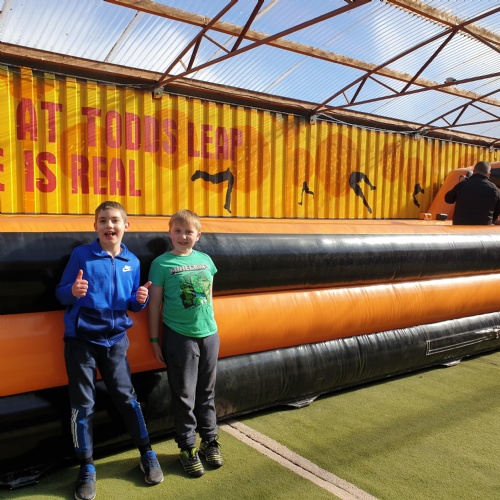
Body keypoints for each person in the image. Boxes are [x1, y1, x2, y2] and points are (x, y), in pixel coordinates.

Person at [56, 201, 163, 500]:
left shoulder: (132, 261)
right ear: (95, 227)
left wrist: (139, 300)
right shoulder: (81, 255)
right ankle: (86, 466)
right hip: (81, 341)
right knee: (83, 405)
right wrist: (72, 292)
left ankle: (147, 452)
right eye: (103, 220)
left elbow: (132, 304)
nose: (109, 225)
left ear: (126, 226)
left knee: (127, 399)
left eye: (115, 220)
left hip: (115, 340)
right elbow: (60, 293)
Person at [148, 209, 223, 478]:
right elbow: (154, 305)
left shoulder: (206, 260)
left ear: (198, 235)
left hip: (209, 335)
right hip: (180, 337)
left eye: (188, 231)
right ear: (170, 233)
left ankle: (209, 441)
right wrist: (154, 340)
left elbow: (209, 298)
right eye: (177, 231)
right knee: (184, 395)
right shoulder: (161, 264)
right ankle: (188, 448)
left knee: (207, 392)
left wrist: (210, 328)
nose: (183, 236)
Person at [444, 161, 500, 225]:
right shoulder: (494, 189)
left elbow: (448, 199)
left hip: (460, 226)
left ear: (473, 172)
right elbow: (496, 213)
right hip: (482, 228)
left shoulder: (462, 185)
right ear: (489, 174)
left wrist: (459, 184)